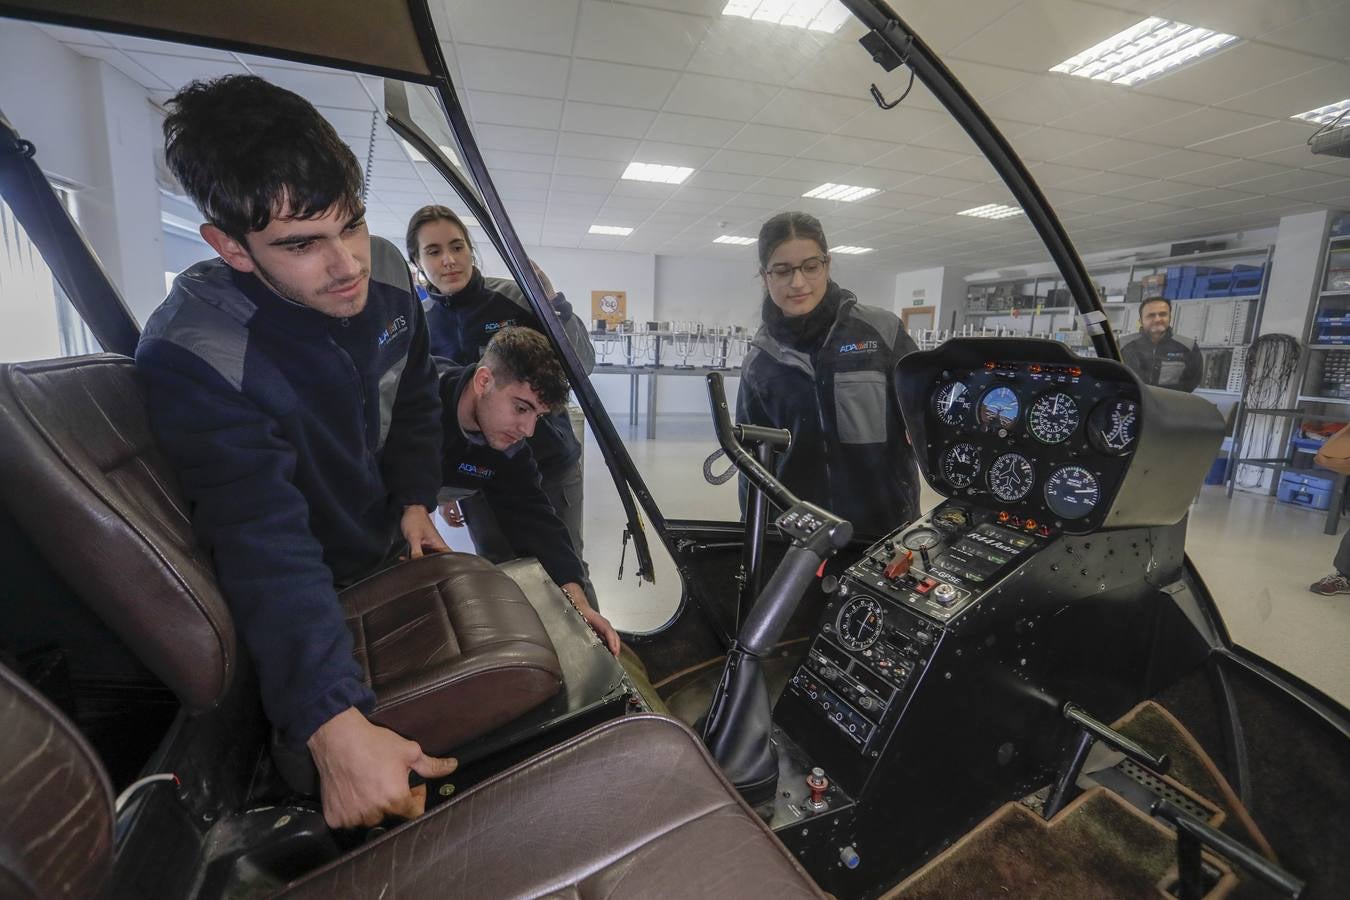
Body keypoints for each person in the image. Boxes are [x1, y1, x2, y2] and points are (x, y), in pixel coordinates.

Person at [136, 75, 454, 830]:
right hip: (302, 595)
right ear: (228, 247)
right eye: (302, 244)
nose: (346, 263)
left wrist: (413, 498)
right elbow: (259, 537)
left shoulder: (384, 275)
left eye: (350, 224)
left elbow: (412, 399)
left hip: (378, 548)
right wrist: (331, 723)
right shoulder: (197, 350)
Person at [405, 206, 597, 600]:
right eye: (434, 251)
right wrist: (436, 489)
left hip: (547, 464)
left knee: (562, 565)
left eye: (457, 246)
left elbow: (581, 364)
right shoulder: (419, 322)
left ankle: (586, 640)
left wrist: (552, 304)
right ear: (417, 262)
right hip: (479, 472)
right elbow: (421, 428)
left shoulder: (512, 297)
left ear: (471, 250)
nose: (449, 260)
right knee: (499, 572)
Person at [737, 211, 921, 537]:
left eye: (810, 266)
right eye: (782, 270)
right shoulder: (760, 362)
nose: (798, 282)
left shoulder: (882, 332)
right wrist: (754, 539)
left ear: (827, 264)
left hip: (884, 529)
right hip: (800, 539)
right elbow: (752, 463)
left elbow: (926, 421)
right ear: (765, 276)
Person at [440, 326, 620, 655]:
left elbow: (535, 516)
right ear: (483, 382)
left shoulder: (509, 447)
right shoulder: (415, 399)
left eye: (538, 415)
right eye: (521, 408)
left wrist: (574, 594)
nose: (528, 429)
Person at [1118, 296, 1203, 392]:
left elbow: (1193, 380)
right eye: (1151, 315)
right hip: (1132, 402)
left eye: (1163, 314)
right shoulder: (1122, 345)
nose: (1158, 319)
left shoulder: (1188, 346)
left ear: (1169, 318)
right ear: (1141, 321)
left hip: (1169, 403)